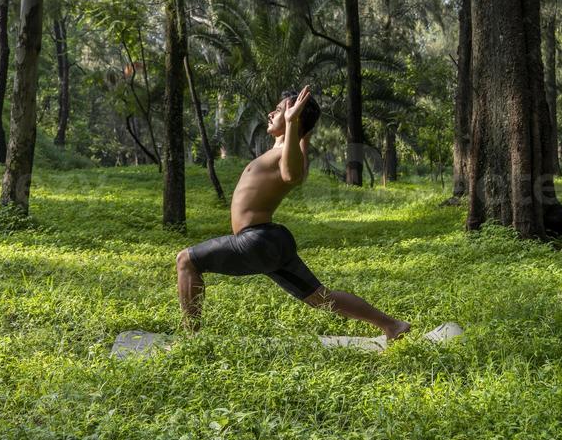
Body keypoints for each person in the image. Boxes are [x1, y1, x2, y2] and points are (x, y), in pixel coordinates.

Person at [176, 85, 411, 342]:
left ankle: (190, 339)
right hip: (268, 241)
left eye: (277, 110)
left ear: (293, 119)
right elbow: (298, 144)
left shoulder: (289, 156)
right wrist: (295, 124)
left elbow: (291, 175)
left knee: (187, 260)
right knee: (322, 298)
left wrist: (292, 121)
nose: (270, 114)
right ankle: (391, 325)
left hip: (256, 241)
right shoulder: (285, 149)